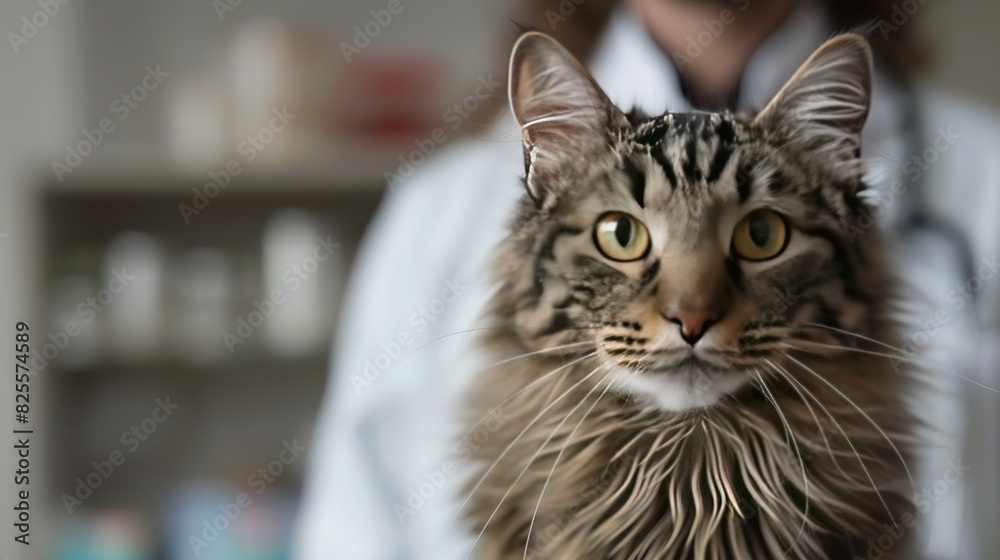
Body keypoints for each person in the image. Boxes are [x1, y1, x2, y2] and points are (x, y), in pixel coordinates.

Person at [293, 0, 1000, 557]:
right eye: (622, 235)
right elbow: (350, 535)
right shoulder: (437, 208)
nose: (691, 310)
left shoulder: (986, 170)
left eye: (762, 235)